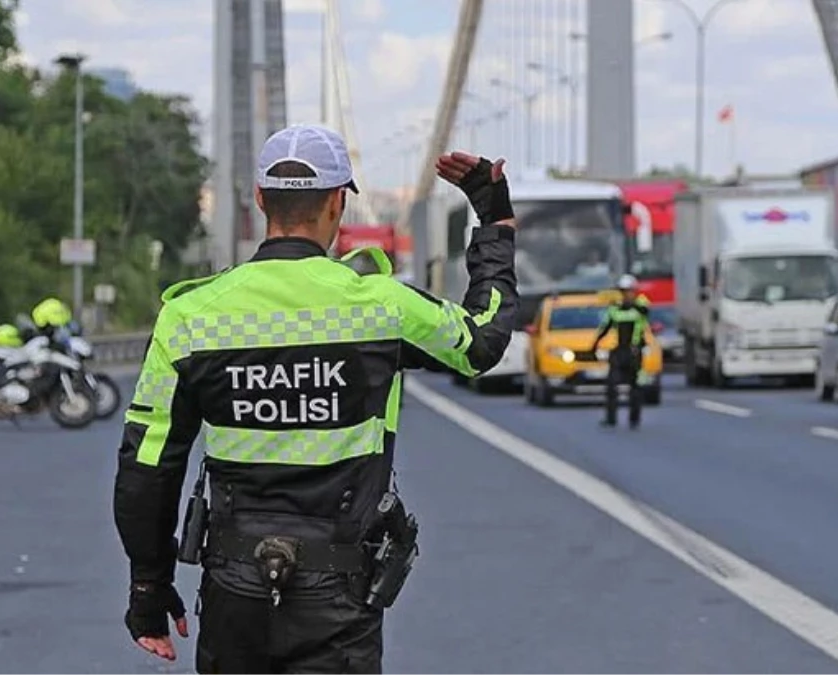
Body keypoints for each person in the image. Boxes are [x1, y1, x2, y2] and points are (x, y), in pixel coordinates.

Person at [112, 123, 518, 675]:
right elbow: (482, 340)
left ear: (260, 200)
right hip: (340, 593)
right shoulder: (380, 307)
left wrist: (149, 587)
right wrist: (493, 221)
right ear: (336, 203)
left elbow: (147, 466)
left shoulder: (190, 318)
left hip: (235, 588)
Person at [590, 274, 650, 429]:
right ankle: (611, 418)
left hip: (635, 352)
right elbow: (605, 328)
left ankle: (634, 419)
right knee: (611, 386)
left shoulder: (641, 306)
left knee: (636, 388)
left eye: (629, 291)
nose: (626, 294)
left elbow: (645, 311)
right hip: (619, 352)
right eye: (623, 291)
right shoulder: (614, 309)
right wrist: (595, 344)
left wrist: (631, 303)